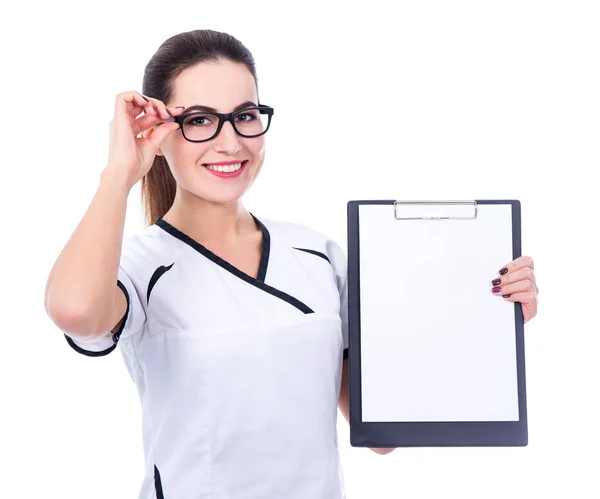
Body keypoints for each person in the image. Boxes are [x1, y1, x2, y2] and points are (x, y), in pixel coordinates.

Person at [44, 29, 539, 499]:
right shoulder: (136, 264)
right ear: (158, 131)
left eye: (245, 115)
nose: (230, 142)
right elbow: (76, 311)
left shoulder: (318, 255)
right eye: (198, 119)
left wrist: (486, 314)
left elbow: (383, 430)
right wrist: (120, 172)